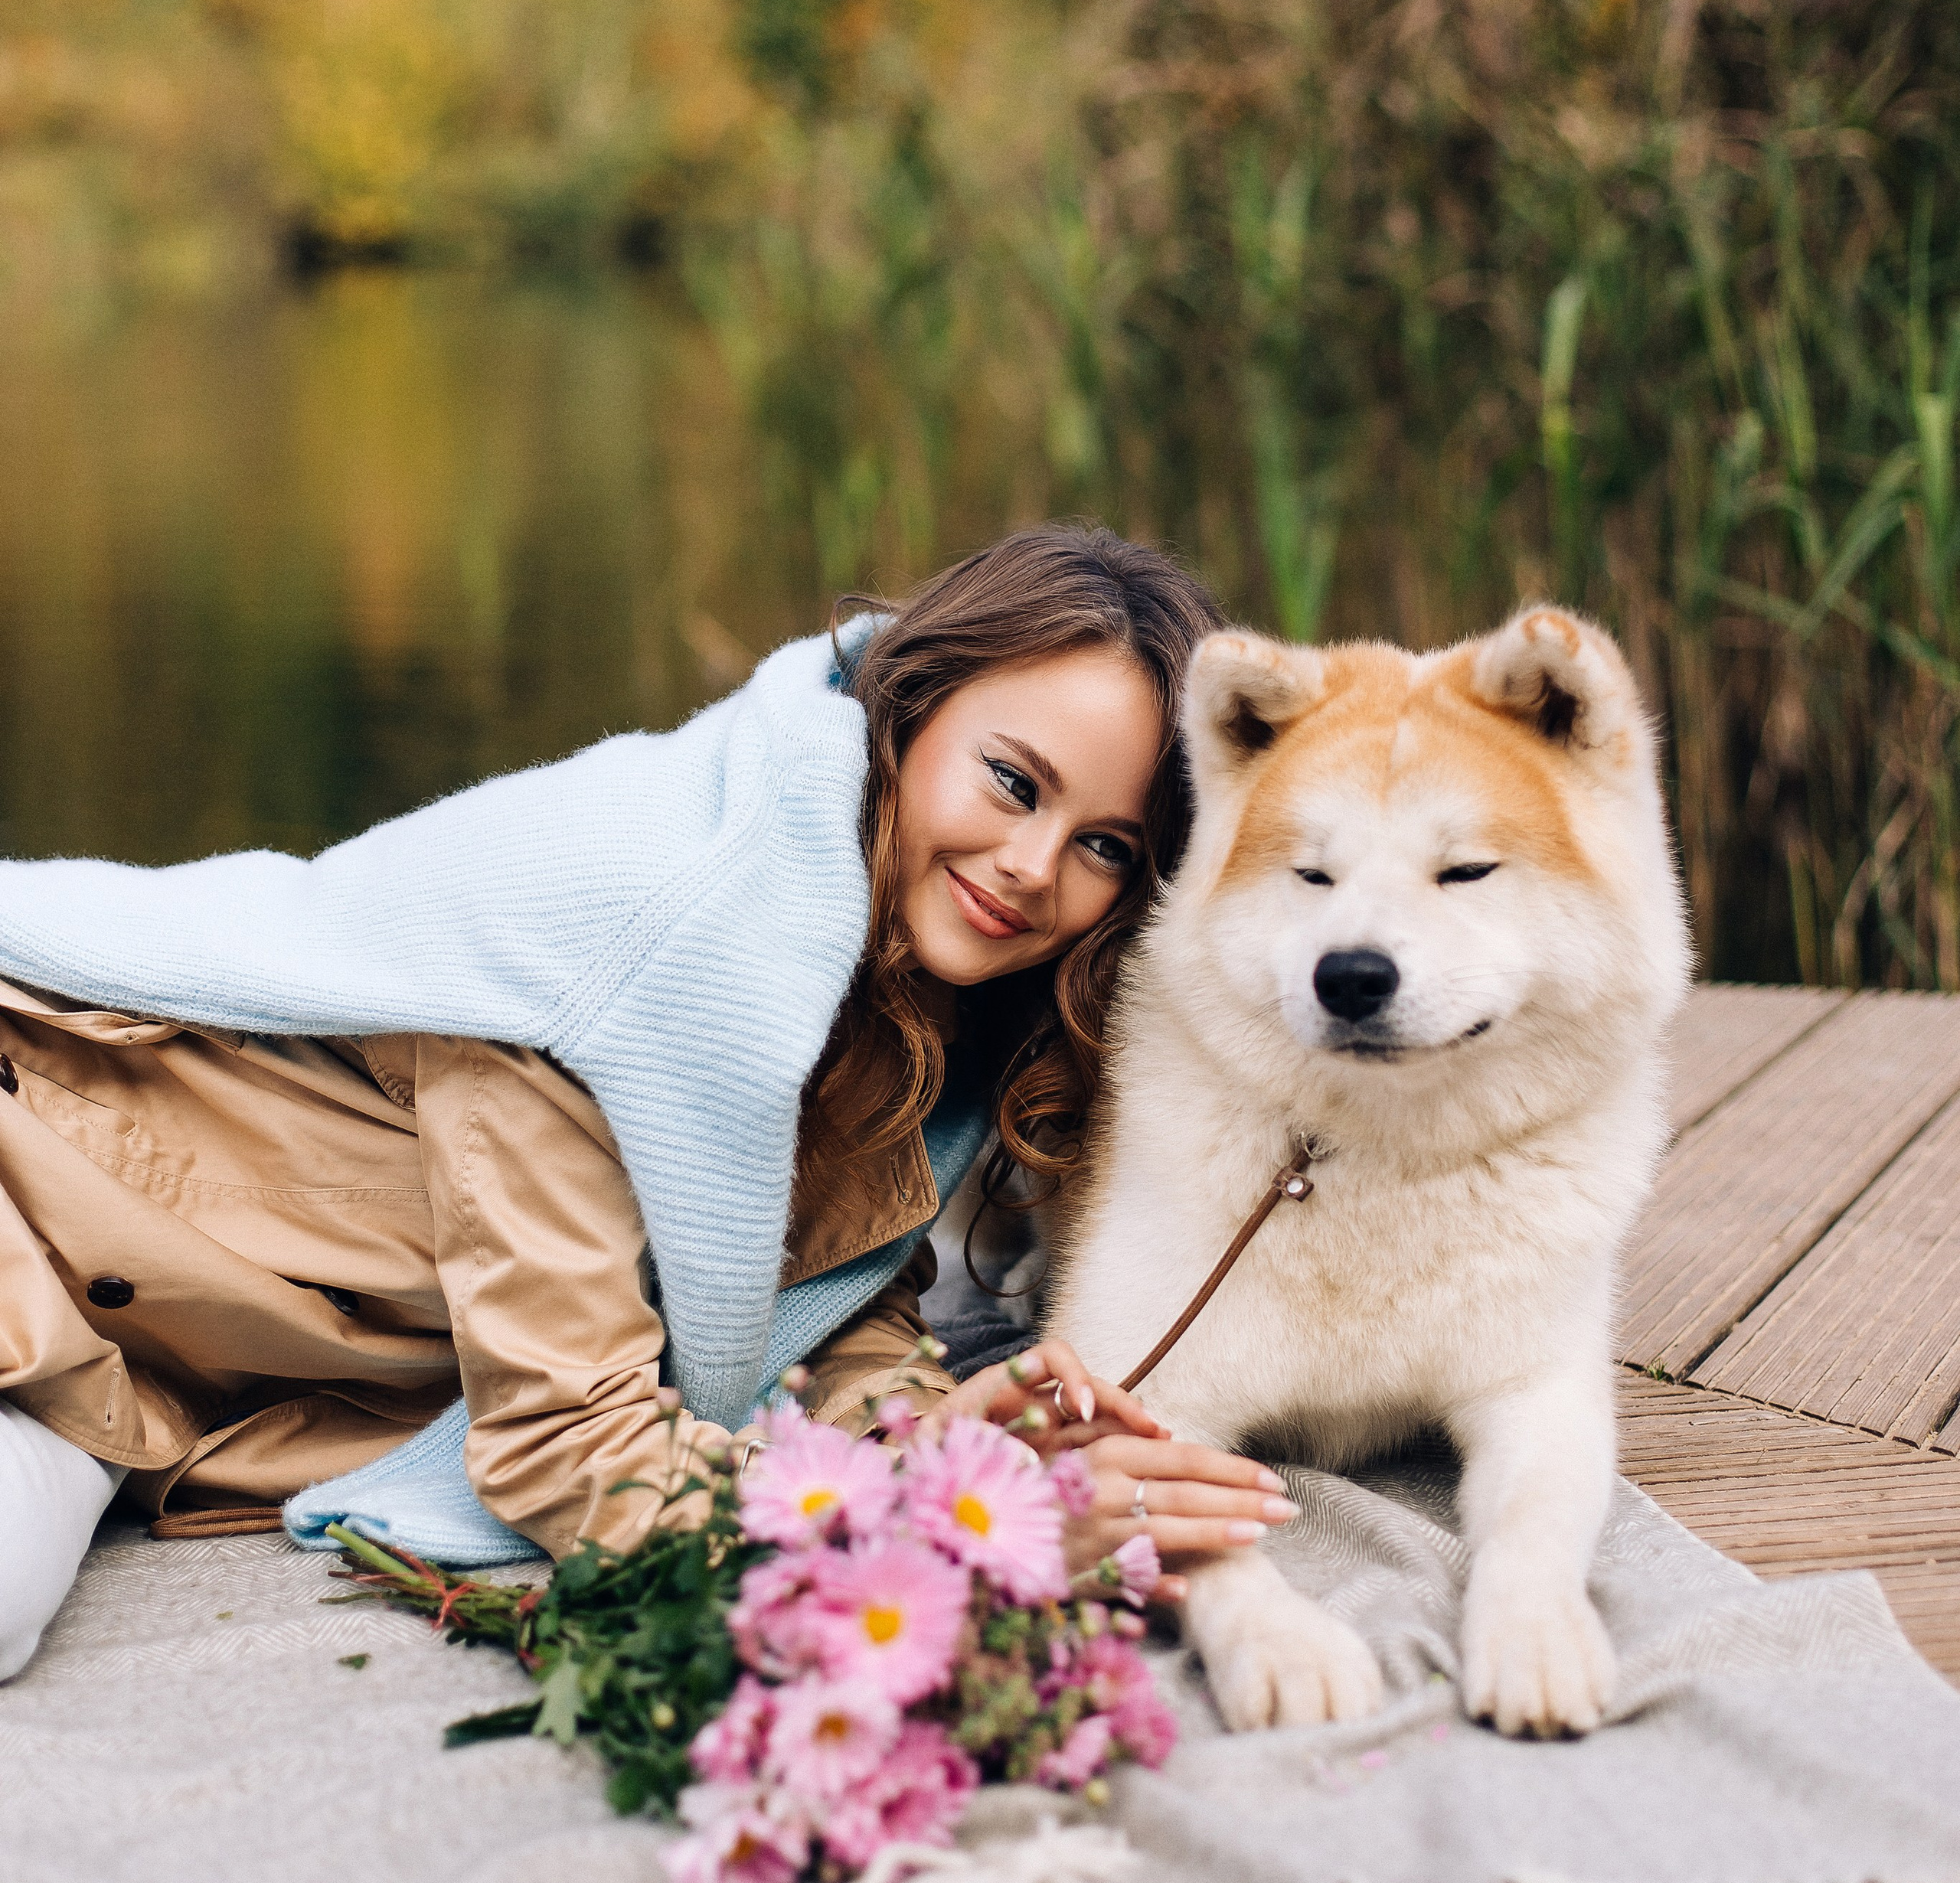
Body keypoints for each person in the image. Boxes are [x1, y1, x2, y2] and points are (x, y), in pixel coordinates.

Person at [0, 526, 1299, 1679]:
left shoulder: (913, 1009)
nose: (1030, 866)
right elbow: (568, 1444)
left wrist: (947, 1447)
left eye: (1105, 848)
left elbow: (826, 1304)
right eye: (1013, 782)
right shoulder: (639, 934)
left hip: (117, 1379)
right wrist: (944, 1540)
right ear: (905, 715)